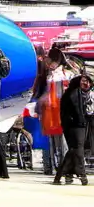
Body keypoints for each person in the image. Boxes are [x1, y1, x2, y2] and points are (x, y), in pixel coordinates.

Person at [54, 74, 93, 186]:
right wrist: (83, 121)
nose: (83, 83)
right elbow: (77, 111)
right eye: (81, 81)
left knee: (73, 150)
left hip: (71, 126)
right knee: (78, 150)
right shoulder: (75, 94)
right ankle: (82, 174)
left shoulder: (70, 93)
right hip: (76, 126)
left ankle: (62, 174)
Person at [37, 47, 70, 176]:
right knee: (49, 142)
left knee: (62, 143)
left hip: (59, 114)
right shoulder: (47, 76)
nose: (48, 64)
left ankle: (64, 169)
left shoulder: (64, 75)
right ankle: (50, 167)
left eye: (50, 61)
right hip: (48, 114)